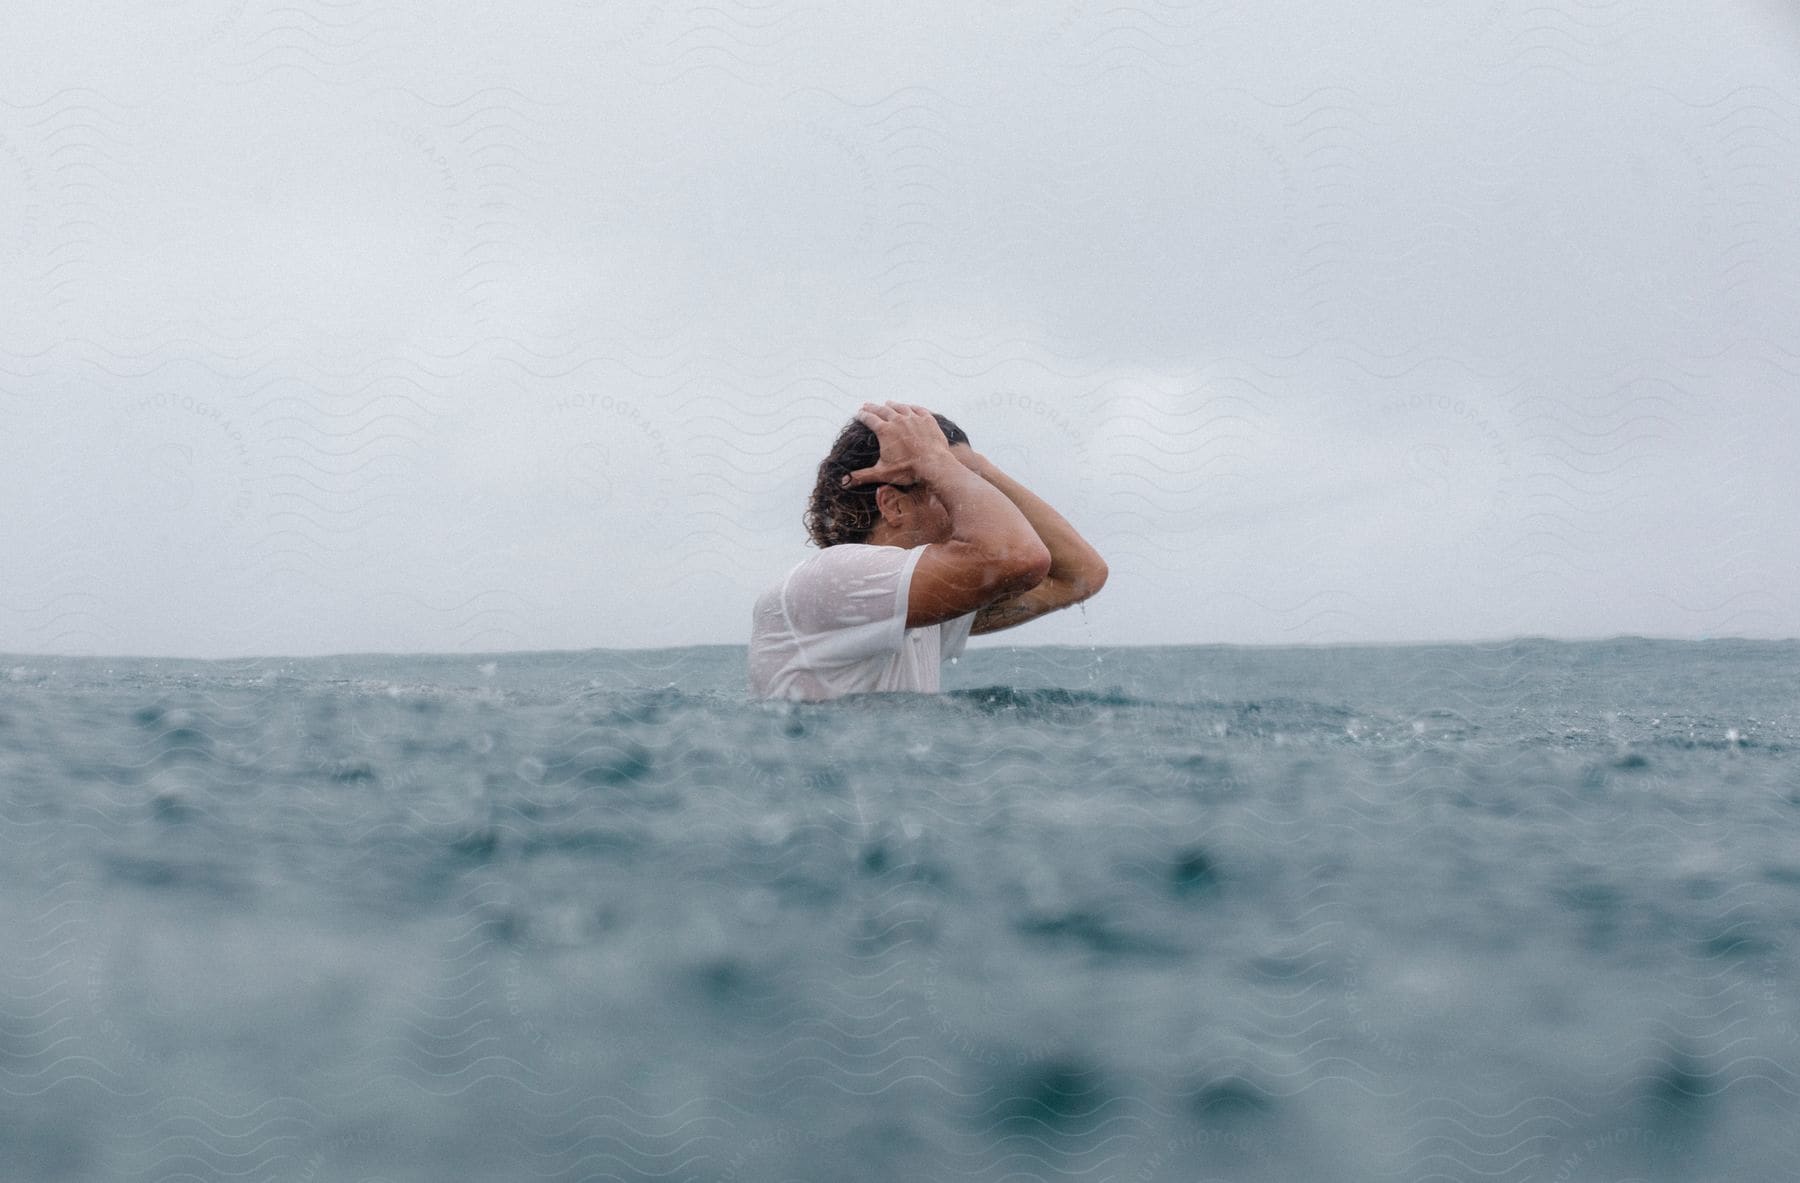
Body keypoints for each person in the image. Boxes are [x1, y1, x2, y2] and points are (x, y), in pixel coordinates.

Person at [748, 401, 1108, 701]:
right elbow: (1020, 557)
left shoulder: (906, 600)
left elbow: (1080, 575)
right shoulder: (832, 578)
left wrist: (975, 465)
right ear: (894, 505)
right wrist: (945, 462)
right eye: (947, 481)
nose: (968, 495)